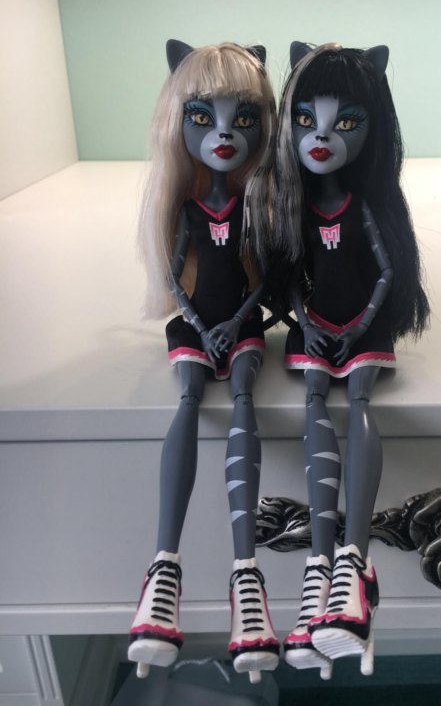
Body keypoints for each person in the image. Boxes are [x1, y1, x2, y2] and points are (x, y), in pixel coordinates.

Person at [271, 41, 429, 678]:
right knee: (315, 401)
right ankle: (320, 564)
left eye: (346, 123)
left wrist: (361, 325)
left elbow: (388, 273)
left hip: (360, 328)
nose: (321, 136)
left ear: (374, 128)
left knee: (358, 401)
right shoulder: (297, 208)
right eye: (306, 120)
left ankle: (353, 560)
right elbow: (287, 279)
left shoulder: (363, 207)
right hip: (318, 329)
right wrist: (306, 323)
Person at [128, 40, 279, 683]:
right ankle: (164, 567)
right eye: (203, 117)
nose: (223, 134)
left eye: (243, 118)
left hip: (239, 328)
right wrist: (197, 325)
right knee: (189, 399)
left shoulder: (254, 207)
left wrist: (238, 323)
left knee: (243, 398)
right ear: (178, 123)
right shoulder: (188, 210)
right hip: (198, 328)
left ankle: (248, 577)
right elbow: (172, 274)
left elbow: (263, 277)